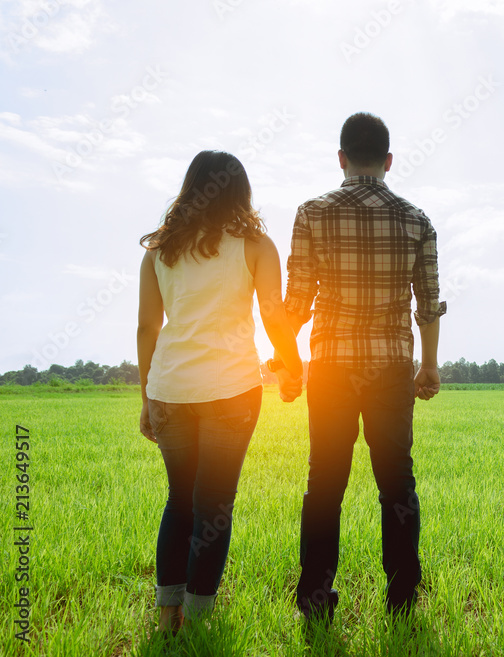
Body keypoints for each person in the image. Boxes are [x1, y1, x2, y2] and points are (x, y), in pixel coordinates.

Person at [274, 112, 446, 621]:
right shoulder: (417, 219)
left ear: (342, 159)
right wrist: (429, 366)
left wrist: (287, 365)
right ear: (389, 162)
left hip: (329, 366)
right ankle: (402, 598)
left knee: (324, 482)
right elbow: (428, 301)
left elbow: (296, 303)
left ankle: (315, 600)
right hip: (392, 367)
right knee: (397, 483)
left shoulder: (312, 213)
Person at [136, 150, 304, 633]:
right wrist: (292, 368)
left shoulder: (159, 251)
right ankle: (197, 618)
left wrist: (146, 398)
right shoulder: (255, 245)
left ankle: (168, 616)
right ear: (241, 192)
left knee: (180, 501)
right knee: (214, 506)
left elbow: (148, 326)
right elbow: (272, 314)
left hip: (169, 388)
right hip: (231, 389)